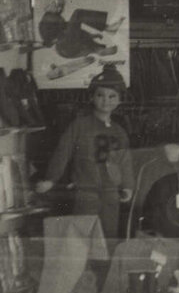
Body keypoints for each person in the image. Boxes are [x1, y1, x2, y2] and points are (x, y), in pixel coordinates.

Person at [37, 64, 136, 242]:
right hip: (86, 192)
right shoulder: (80, 125)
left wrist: (127, 185)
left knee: (108, 237)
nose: (106, 101)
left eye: (112, 96)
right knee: (83, 237)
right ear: (92, 97)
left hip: (111, 194)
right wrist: (51, 179)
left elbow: (125, 161)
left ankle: (105, 260)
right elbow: (63, 151)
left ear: (120, 100)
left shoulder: (119, 131)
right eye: (100, 95)